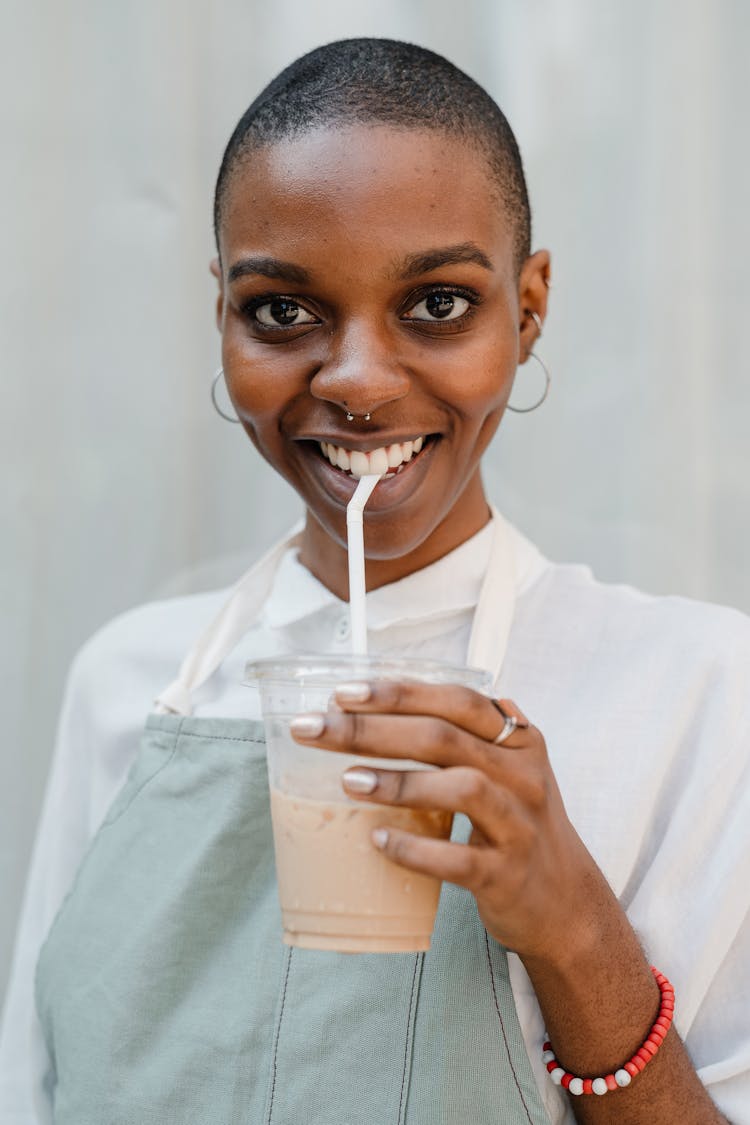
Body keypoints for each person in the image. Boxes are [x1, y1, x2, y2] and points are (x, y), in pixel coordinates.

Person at [1, 37, 747, 1125]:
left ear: (528, 309)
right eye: (283, 311)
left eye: (438, 303)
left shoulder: (698, 694)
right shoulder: (126, 682)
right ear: (222, 316)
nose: (355, 381)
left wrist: (576, 932)